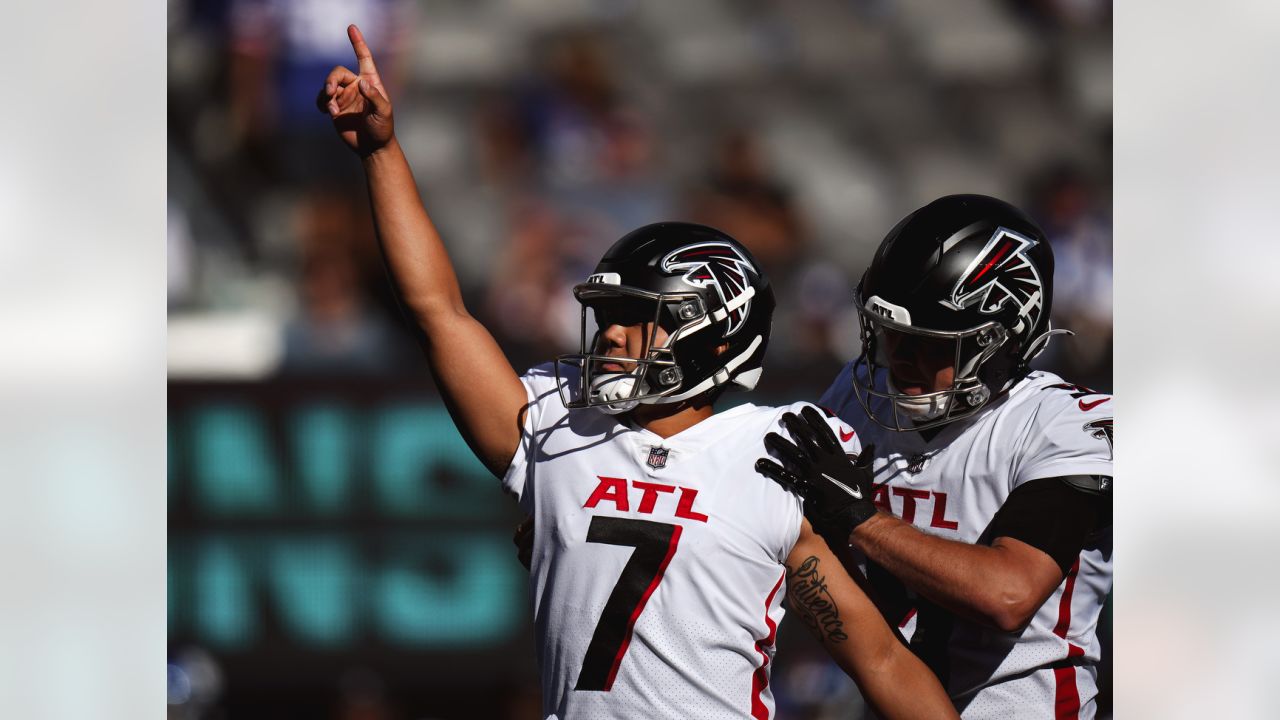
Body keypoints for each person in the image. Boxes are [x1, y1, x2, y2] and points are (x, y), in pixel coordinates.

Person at [318, 25, 956, 720]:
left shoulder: (774, 455)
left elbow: (881, 659)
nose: (611, 334)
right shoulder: (559, 422)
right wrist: (382, 153)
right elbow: (438, 311)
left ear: (714, 335)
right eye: (610, 313)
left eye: (638, 317)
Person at [756, 194, 1113, 718]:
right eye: (893, 335)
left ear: (1002, 340)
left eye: (930, 342)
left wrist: (859, 519)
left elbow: (1008, 595)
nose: (899, 359)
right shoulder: (858, 396)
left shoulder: (1069, 424)